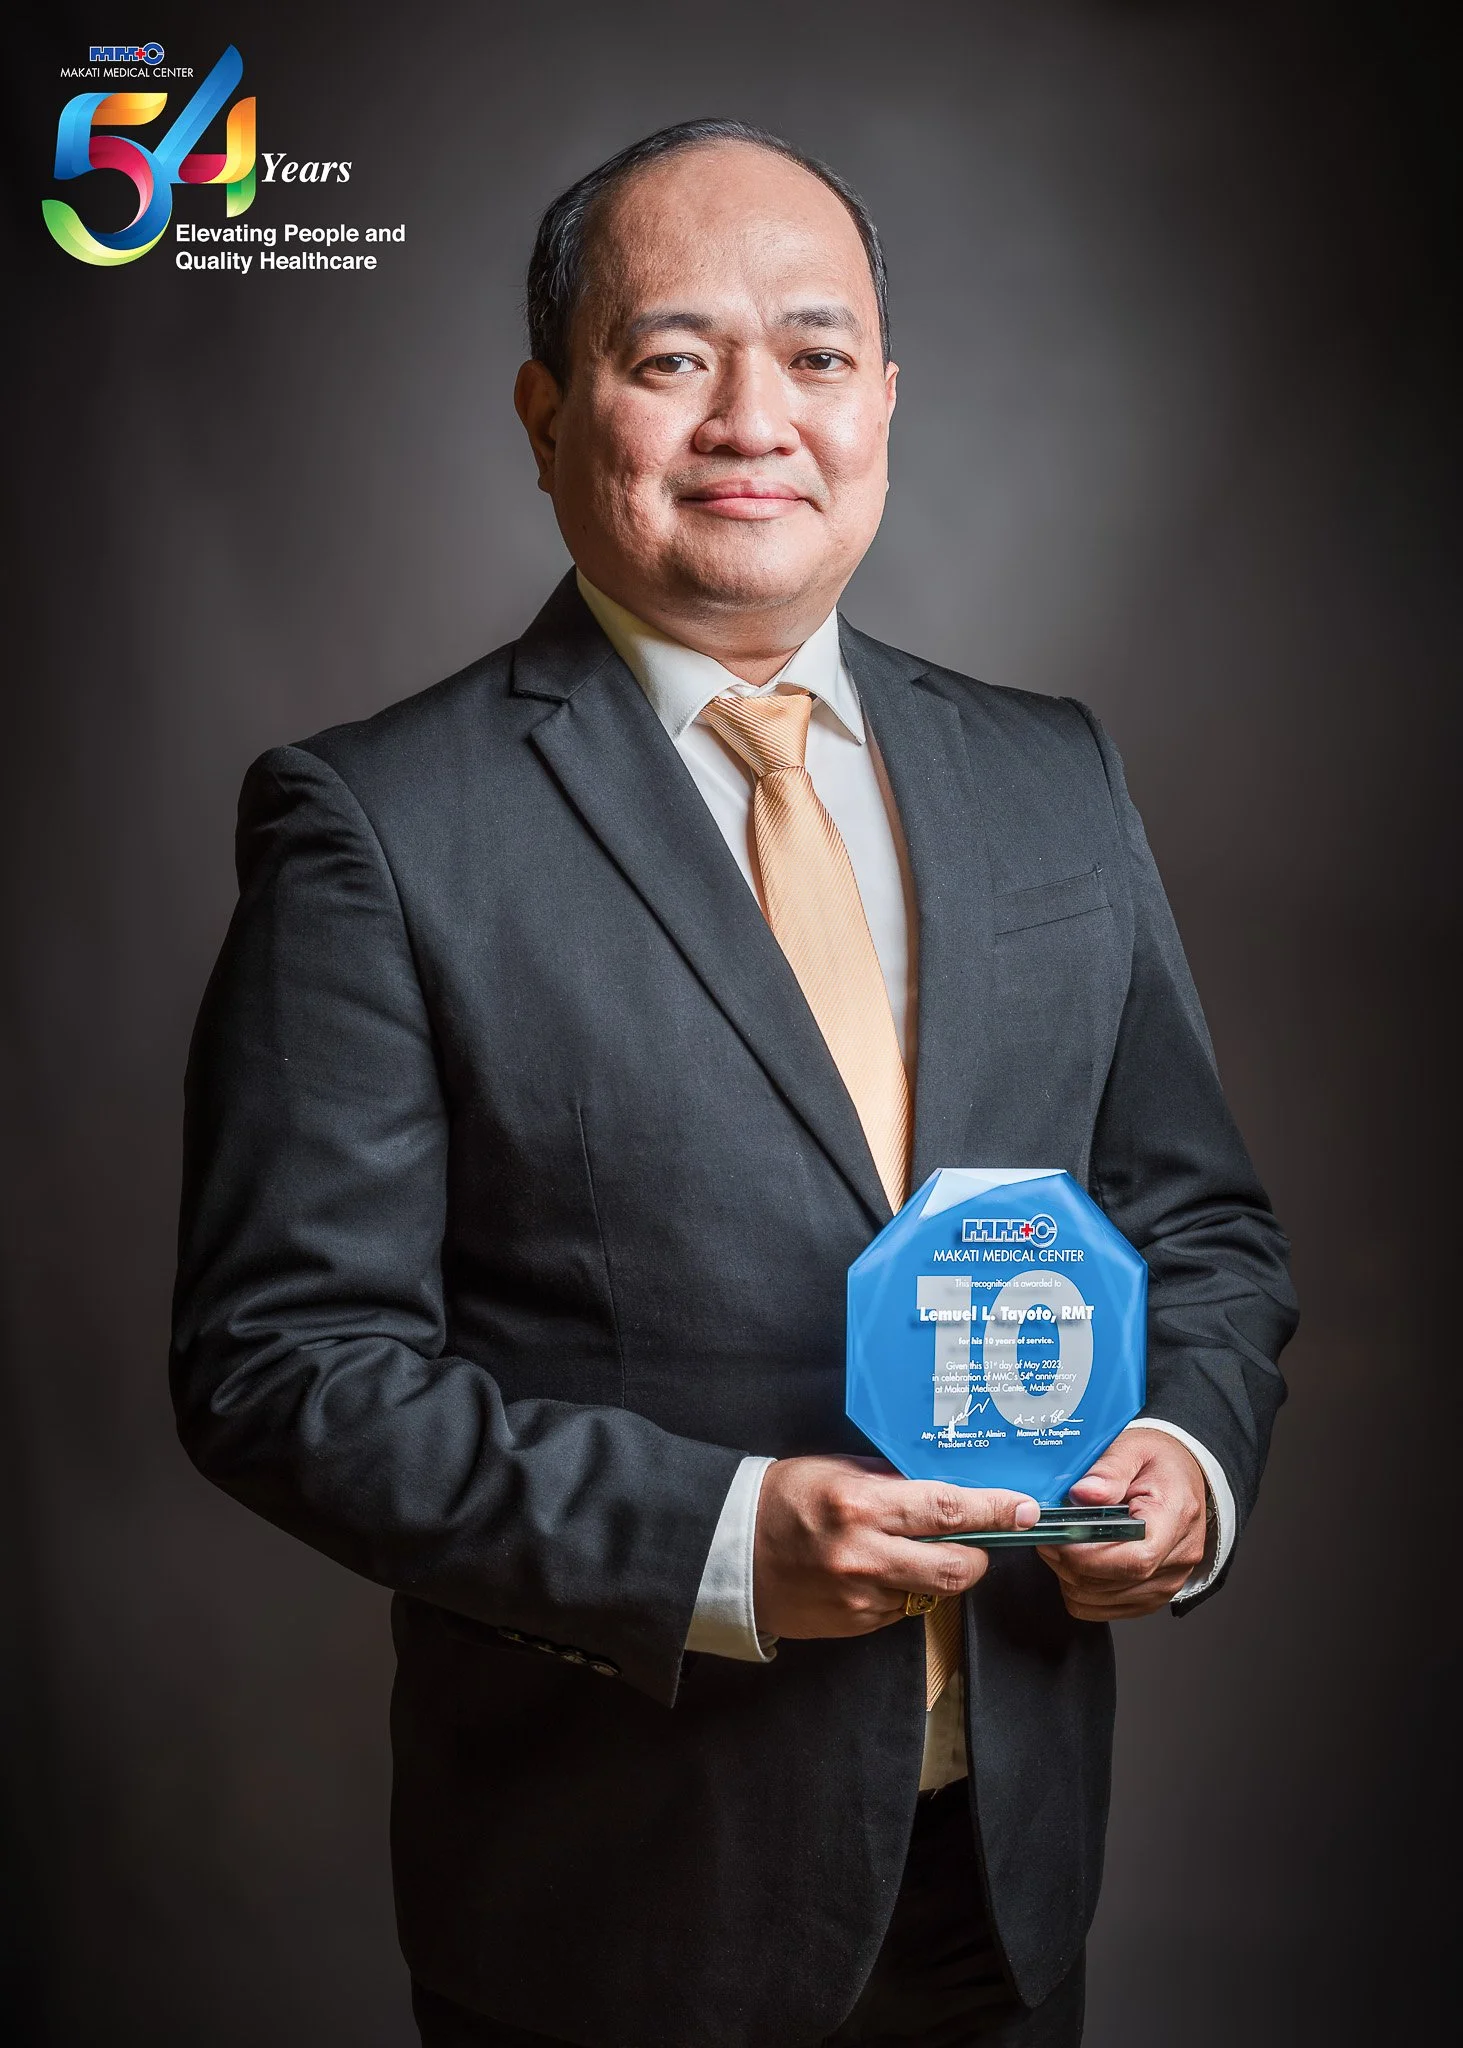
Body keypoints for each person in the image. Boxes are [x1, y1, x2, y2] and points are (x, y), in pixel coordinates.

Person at [172, 121, 1296, 2048]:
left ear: (887, 404)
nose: (752, 418)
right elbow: (285, 1367)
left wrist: (1185, 1466)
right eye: (671, 356)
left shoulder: (1052, 775)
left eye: (817, 352)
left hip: (1004, 1889)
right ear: (546, 414)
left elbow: (1193, 1221)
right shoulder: (378, 821)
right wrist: (722, 1545)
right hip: (619, 1909)